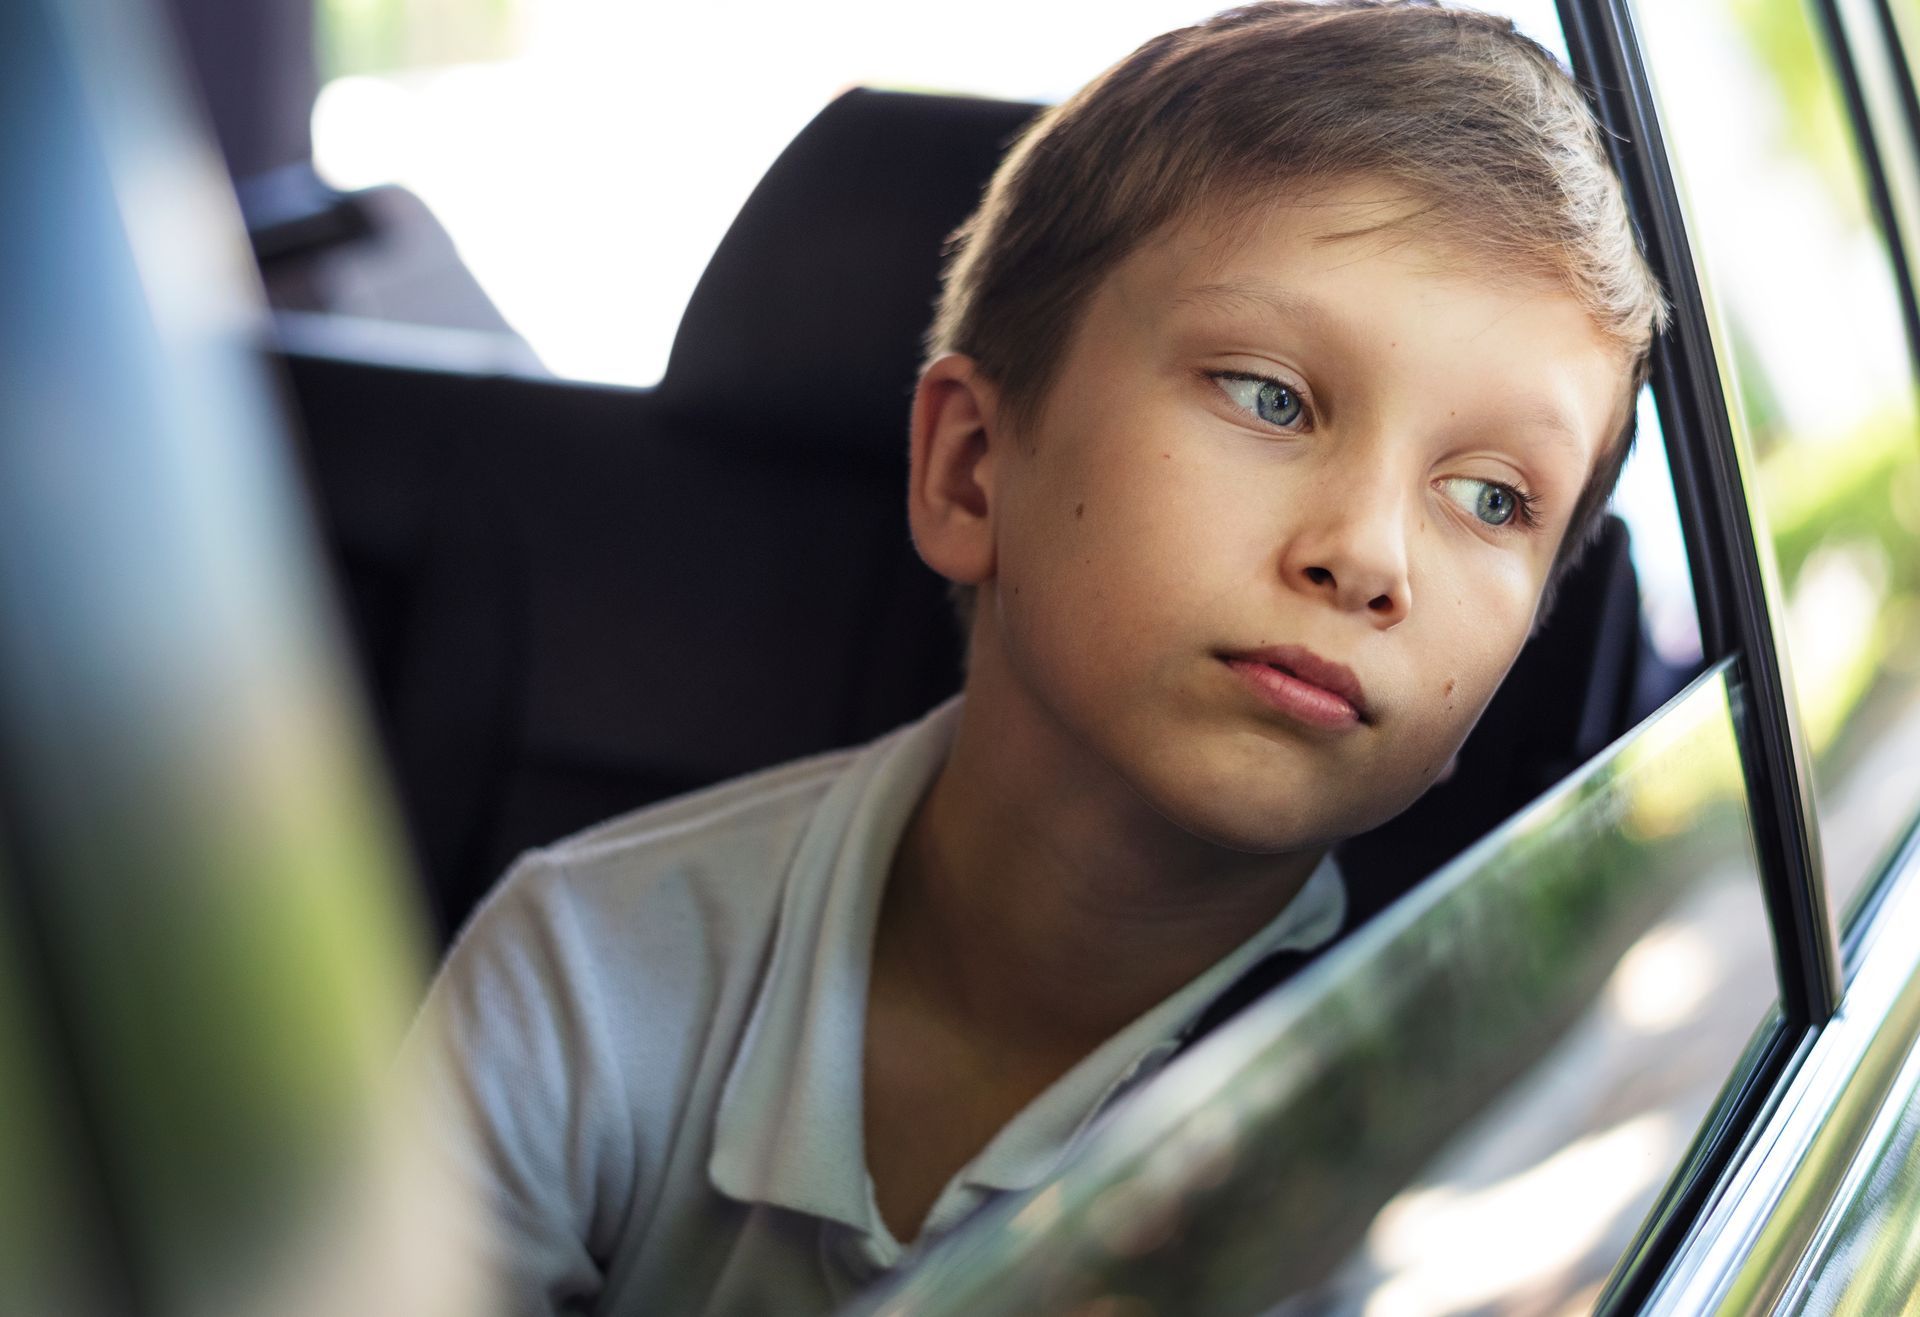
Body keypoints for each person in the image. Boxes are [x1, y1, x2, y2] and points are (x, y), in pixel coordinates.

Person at [403, 3, 1668, 1312]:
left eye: (1491, 497)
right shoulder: (581, 981)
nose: (1369, 555)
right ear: (971, 470)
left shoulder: (1451, 1164)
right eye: (1270, 395)